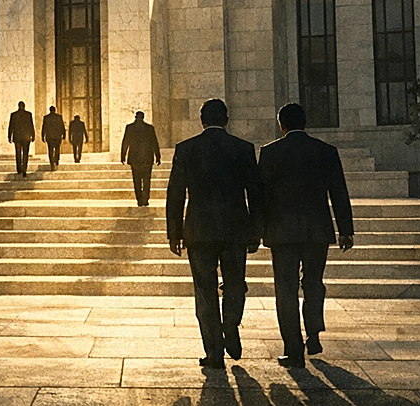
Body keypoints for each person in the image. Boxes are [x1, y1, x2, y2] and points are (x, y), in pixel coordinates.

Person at [165, 99, 262, 370]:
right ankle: (230, 323)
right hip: (235, 229)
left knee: (205, 292)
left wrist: (174, 232)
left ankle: (214, 353)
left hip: (200, 229)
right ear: (227, 120)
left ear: (201, 120)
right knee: (235, 283)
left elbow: (175, 192)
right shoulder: (242, 149)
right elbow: (255, 192)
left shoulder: (186, 149)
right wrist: (256, 229)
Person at [258, 103, 354, 368]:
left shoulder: (270, 152)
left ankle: (293, 349)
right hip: (317, 231)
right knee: (313, 283)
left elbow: (261, 197)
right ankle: (313, 333)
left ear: (281, 124)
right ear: (305, 122)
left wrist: (258, 230)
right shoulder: (325, 151)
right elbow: (339, 193)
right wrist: (345, 230)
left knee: (286, 290)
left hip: (282, 232)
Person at [120, 111, 161, 206]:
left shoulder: (130, 128)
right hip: (147, 157)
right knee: (146, 180)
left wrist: (123, 155)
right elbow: (154, 143)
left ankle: (139, 200)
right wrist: (158, 156)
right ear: (143, 117)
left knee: (136, 180)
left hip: (134, 158)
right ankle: (145, 199)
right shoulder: (149, 128)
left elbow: (125, 142)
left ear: (135, 117)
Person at [7, 101, 35, 177]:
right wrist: (33, 135)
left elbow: (11, 127)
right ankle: (24, 170)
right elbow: (31, 126)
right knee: (25, 154)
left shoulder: (14, 115)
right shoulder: (28, 115)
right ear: (24, 106)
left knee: (18, 153)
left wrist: (9, 136)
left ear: (18, 106)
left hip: (17, 137)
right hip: (26, 137)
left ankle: (19, 169)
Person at [41, 106, 66, 170]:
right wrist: (64, 135)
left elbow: (44, 127)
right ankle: (56, 160)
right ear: (55, 110)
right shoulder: (59, 117)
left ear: (50, 110)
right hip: (57, 136)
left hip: (49, 136)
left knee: (50, 150)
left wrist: (43, 136)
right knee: (57, 149)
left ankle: (52, 162)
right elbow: (62, 126)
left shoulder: (46, 118)